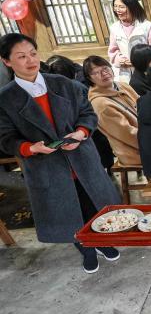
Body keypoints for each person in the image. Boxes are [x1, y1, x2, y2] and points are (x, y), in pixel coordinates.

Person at [0, 33, 121, 273]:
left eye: (33, 53)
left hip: (81, 158)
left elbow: (87, 114)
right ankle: (85, 249)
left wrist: (81, 132)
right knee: (68, 211)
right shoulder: (5, 99)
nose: (30, 60)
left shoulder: (64, 84)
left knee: (93, 204)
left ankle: (101, 241)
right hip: (46, 166)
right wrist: (29, 148)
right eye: (21, 56)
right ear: (6, 61)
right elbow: (5, 138)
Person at [84, 56, 140, 167]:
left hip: (147, 136)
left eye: (105, 68)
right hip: (133, 151)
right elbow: (128, 134)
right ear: (89, 78)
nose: (104, 73)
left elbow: (145, 107)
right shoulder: (100, 104)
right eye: (96, 72)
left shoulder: (122, 85)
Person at [108, 0, 151, 81]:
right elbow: (113, 51)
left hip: (145, 72)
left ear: (132, 7)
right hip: (125, 73)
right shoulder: (114, 28)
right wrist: (120, 59)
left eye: (121, 7)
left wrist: (138, 63)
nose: (117, 10)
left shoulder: (146, 26)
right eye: (115, 6)